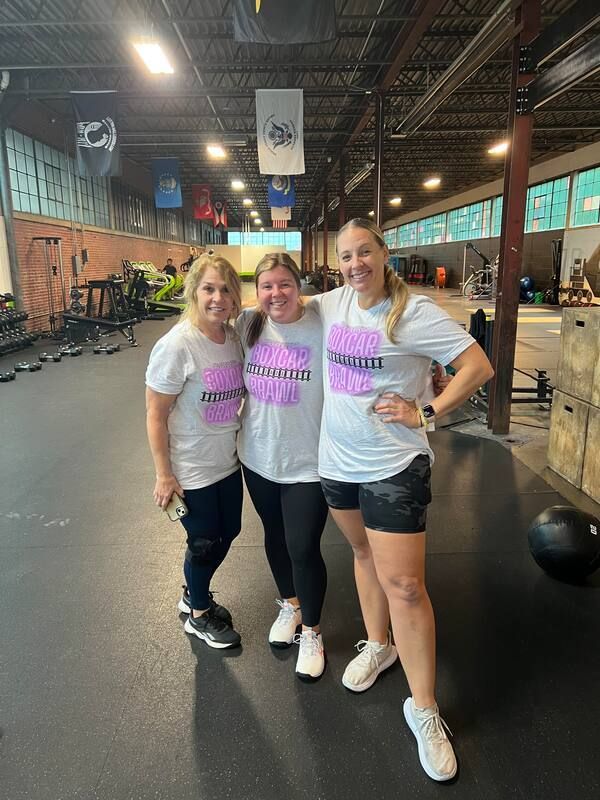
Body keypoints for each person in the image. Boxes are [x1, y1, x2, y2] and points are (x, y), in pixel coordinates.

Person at [315, 218, 494, 781]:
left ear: (383, 252)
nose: (354, 265)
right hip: (336, 463)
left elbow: (478, 366)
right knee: (363, 558)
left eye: (363, 253)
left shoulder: (413, 313)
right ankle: (378, 644)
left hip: (394, 464)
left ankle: (424, 708)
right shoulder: (332, 304)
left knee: (408, 587)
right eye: (345, 257)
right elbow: (278, 306)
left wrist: (427, 412)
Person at [235, 253, 329, 682]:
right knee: (274, 536)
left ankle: (312, 630)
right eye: (267, 286)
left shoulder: (322, 322)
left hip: (308, 461)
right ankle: (290, 604)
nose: (276, 293)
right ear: (258, 292)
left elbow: (374, 342)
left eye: (284, 284)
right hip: (257, 457)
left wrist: (425, 378)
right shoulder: (247, 326)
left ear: (299, 285)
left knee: (302, 545)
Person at [145, 254, 245, 649]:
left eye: (225, 289)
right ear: (193, 292)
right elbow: (155, 414)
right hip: (190, 467)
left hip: (226, 459)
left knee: (230, 532)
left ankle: (193, 594)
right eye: (209, 288)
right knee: (204, 541)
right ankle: (199, 614)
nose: (217, 298)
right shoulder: (177, 346)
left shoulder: (233, 337)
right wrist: (164, 474)